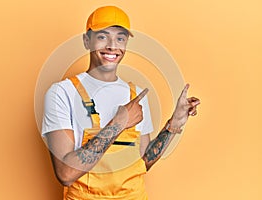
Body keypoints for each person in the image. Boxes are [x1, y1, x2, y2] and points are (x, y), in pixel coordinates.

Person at [41, 5, 200, 200]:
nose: (112, 46)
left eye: (120, 38)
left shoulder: (137, 95)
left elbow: (143, 163)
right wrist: (119, 123)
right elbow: (65, 173)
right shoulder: (62, 93)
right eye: (102, 36)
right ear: (86, 41)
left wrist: (174, 124)